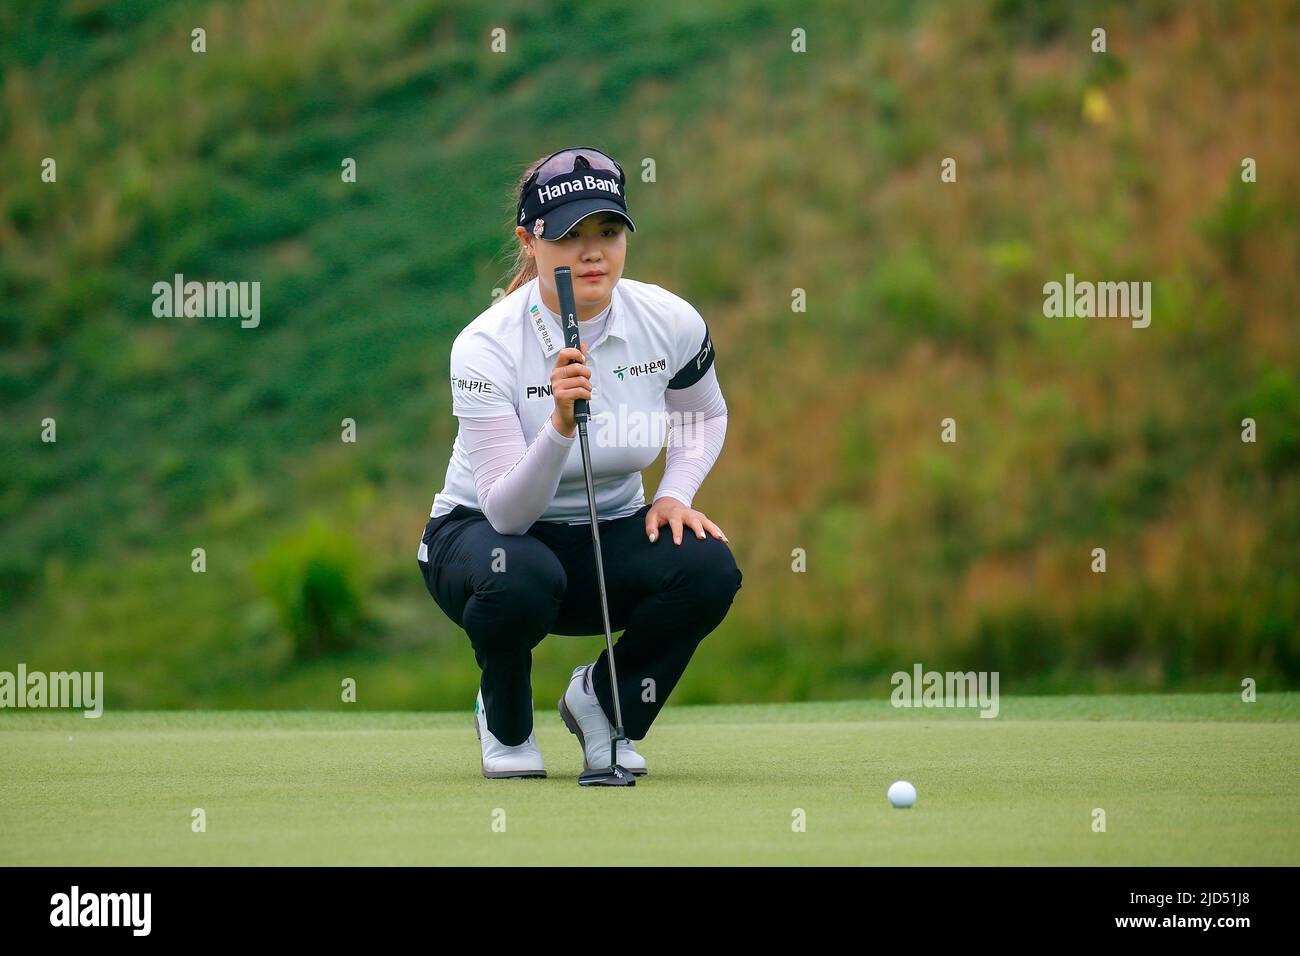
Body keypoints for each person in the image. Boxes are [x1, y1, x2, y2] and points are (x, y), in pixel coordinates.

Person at [416, 146, 742, 779]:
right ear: (529, 241)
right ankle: (505, 723)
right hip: (483, 541)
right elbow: (507, 513)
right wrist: (561, 426)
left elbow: (702, 415)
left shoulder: (669, 320)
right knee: (520, 574)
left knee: (707, 567)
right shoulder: (485, 345)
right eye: (569, 236)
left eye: (609, 232)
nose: (592, 253)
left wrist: (674, 494)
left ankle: (604, 706)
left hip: (606, 534)